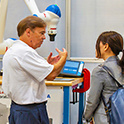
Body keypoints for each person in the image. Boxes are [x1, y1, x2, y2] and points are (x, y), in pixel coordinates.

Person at [2, 16, 67, 124]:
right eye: (41, 33)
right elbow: (52, 75)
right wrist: (63, 59)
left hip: (19, 109)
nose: (44, 37)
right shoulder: (25, 52)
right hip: (30, 112)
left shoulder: (14, 50)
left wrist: (46, 66)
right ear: (28, 32)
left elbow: (28, 74)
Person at [84, 31, 124, 124]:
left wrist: (86, 118)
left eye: (98, 44)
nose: (96, 48)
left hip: (105, 119)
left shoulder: (100, 71)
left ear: (105, 47)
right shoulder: (122, 66)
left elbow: (92, 101)